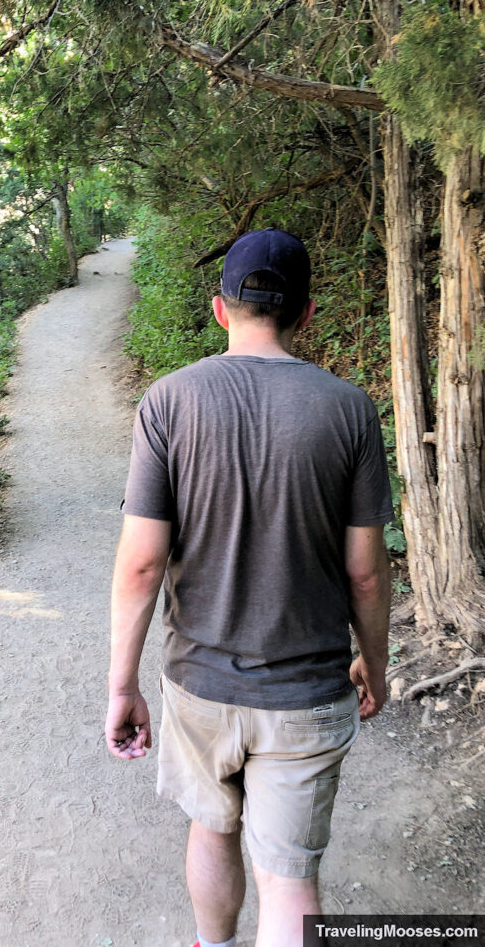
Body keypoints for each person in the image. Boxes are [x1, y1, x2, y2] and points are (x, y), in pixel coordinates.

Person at [105, 227, 393, 947]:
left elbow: (141, 564)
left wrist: (122, 685)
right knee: (289, 877)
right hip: (307, 692)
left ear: (218, 309)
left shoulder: (168, 402)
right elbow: (364, 569)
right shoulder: (349, 409)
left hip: (199, 687)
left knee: (211, 828)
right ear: (306, 314)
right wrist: (375, 661)